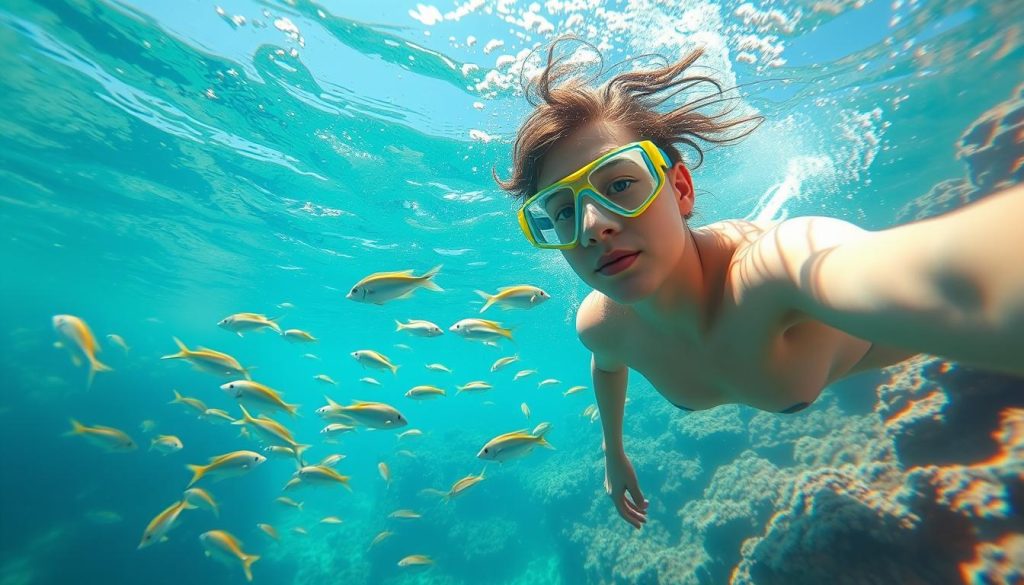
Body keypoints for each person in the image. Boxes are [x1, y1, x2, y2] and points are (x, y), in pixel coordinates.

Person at [494, 39, 1024, 530]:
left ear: (680, 189)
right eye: (561, 212)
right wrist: (614, 448)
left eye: (620, 184)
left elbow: (958, 283)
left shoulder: (775, 267)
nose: (592, 225)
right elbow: (605, 364)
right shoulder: (602, 323)